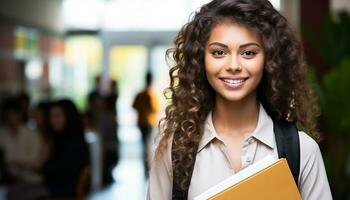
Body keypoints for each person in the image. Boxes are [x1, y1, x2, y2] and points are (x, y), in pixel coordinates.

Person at [148, 0, 332, 200]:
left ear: (269, 59)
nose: (233, 65)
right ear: (201, 59)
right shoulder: (174, 148)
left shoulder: (302, 150)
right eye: (219, 52)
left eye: (248, 53)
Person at [133, 73, 158, 177]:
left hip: (141, 122)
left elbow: (134, 105)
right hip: (148, 122)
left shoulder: (141, 94)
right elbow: (154, 109)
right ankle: (146, 165)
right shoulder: (150, 94)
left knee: (145, 144)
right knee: (147, 144)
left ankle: (146, 165)